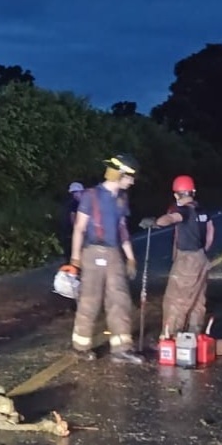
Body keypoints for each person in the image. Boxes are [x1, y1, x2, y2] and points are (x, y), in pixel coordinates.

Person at [69, 154, 144, 363]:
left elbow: (122, 229)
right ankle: (80, 346)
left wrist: (130, 258)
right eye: (130, 176)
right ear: (119, 174)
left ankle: (122, 349)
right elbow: (79, 228)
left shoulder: (121, 199)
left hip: (114, 254)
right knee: (90, 299)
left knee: (120, 299)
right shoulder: (90, 196)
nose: (132, 181)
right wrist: (75, 259)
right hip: (92, 252)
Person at [139, 175, 215, 339]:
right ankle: (194, 334)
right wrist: (202, 252)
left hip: (188, 260)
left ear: (176, 194)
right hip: (201, 257)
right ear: (192, 192)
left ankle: (170, 337)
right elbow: (210, 233)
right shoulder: (202, 211)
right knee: (197, 299)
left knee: (176, 299)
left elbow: (172, 218)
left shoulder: (183, 210)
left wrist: (156, 222)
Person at [60, 182, 84, 260]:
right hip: (73, 231)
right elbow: (72, 218)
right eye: (74, 192)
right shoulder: (73, 204)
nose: (75, 194)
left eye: (77, 192)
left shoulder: (85, 202)